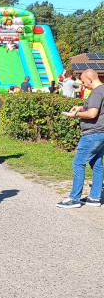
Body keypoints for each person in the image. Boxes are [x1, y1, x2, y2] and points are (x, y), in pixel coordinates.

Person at [57, 69, 104, 208]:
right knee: (97, 164)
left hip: (92, 134)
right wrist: (81, 107)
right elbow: (97, 108)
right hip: (101, 133)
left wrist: (76, 115)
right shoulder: (102, 90)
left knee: (78, 164)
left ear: (90, 79)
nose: (83, 85)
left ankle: (74, 198)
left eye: (84, 82)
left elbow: (92, 113)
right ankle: (94, 197)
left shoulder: (96, 92)